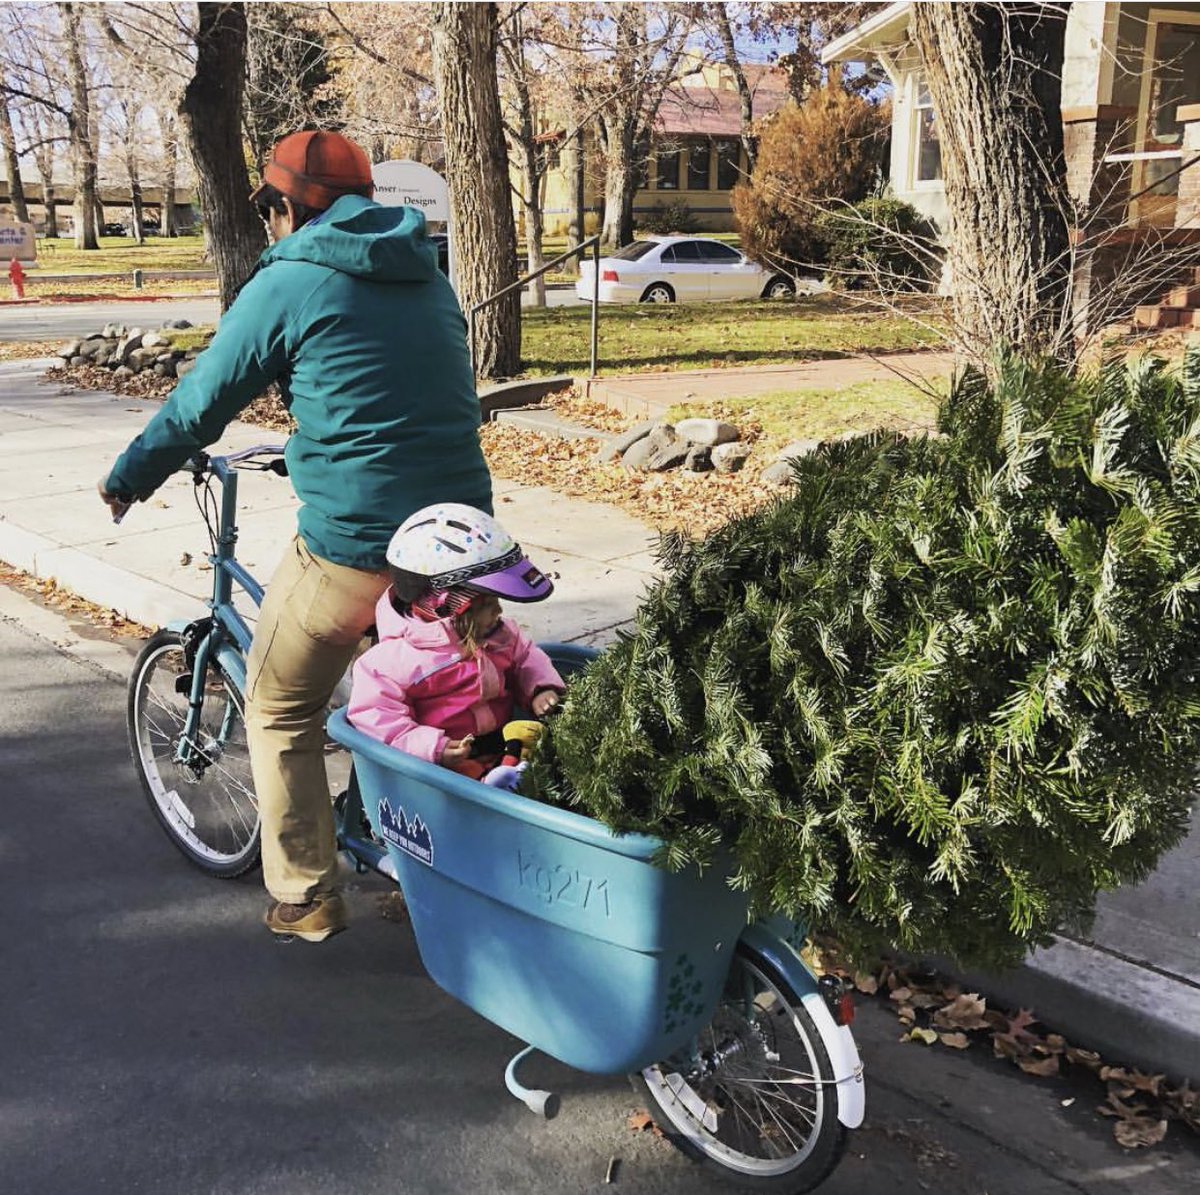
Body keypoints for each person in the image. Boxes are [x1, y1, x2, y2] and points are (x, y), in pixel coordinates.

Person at [98, 130, 493, 944]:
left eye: (271, 209)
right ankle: (412, 852)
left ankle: (308, 894)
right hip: (467, 540)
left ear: (291, 205)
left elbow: (199, 402)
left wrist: (130, 476)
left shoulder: (293, 276)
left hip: (361, 544)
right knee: (428, 690)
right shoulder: (427, 270)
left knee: (280, 706)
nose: (272, 225)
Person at [348, 504, 565, 783]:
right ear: (447, 605)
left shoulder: (497, 635)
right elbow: (378, 718)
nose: (498, 612)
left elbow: (525, 657)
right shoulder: (392, 662)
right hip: (444, 769)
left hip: (501, 744)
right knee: (493, 789)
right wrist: (432, 748)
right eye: (486, 605)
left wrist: (540, 689)